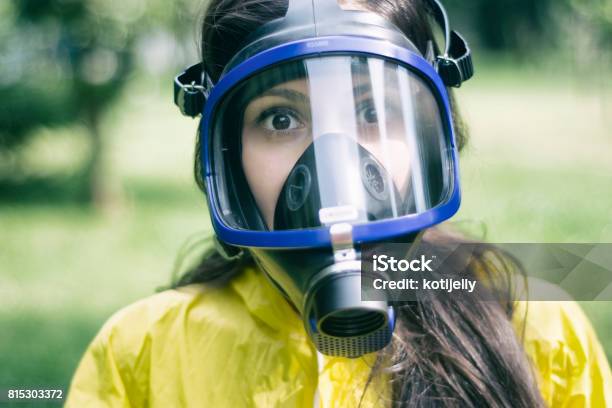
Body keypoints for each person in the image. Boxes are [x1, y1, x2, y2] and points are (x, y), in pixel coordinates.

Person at [66, 0, 612, 406]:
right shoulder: (141, 355)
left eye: (373, 111)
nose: (334, 167)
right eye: (281, 119)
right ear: (228, 156)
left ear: (428, 139)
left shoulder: (529, 324)